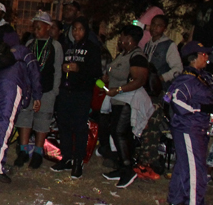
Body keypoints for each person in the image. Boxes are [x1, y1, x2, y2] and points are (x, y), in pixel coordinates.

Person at [166, 41, 213, 205]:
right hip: (188, 127)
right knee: (196, 166)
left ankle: (176, 199)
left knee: (184, 163)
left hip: (198, 127)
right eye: (203, 54)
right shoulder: (186, 79)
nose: (207, 57)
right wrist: (199, 108)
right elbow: (175, 100)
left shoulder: (203, 77)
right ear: (194, 58)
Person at [0, 26, 42, 182]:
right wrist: (37, 95)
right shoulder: (23, 50)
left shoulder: (0, 52)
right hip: (11, 86)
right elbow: (34, 72)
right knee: (5, 124)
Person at [99, 25, 150, 189]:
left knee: (120, 132)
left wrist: (119, 89)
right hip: (116, 99)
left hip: (128, 100)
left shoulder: (137, 56)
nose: (120, 39)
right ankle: (121, 167)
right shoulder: (123, 54)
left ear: (129, 38)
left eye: (122, 36)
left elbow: (139, 80)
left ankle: (128, 169)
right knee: (115, 131)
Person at [52, 16, 102, 178]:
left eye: (80, 29)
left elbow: (96, 72)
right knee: (64, 125)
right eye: (74, 29)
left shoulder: (92, 48)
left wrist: (78, 68)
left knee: (79, 127)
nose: (76, 32)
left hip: (82, 92)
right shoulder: (66, 46)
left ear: (86, 30)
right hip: (65, 91)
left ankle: (77, 161)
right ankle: (66, 157)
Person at [14, 11, 63, 169]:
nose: (36, 31)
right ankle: (23, 150)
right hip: (29, 89)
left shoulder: (56, 46)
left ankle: (38, 152)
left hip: (47, 90)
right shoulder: (30, 44)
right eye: (34, 28)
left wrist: (54, 91)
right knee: (25, 118)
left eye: (39, 28)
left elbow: (57, 70)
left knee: (42, 120)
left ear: (48, 28)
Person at [143, 14, 183, 98]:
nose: (155, 27)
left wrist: (160, 78)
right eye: (153, 24)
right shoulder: (147, 45)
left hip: (161, 89)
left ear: (164, 28)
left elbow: (178, 68)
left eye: (159, 25)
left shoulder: (169, 45)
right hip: (146, 88)